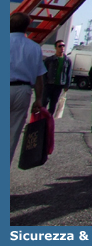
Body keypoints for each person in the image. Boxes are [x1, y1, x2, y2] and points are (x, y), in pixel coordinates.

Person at [10, 12, 46, 163]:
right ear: (27, 27)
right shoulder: (34, 48)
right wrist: (38, 99)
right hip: (23, 90)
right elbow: (39, 77)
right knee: (12, 134)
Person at [42, 40, 72, 115]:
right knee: (44, 102)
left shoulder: (67, 60)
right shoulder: (49, 59)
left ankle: (49, 122)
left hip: (59, 85)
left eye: (63, 46)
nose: (62, 47)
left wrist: (67, 85)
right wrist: (44, 82)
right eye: (60, 46)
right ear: (56, 48)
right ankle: (41, 121)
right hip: (49, 84)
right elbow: (44, 72)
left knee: (53, 104)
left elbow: (68, 73)